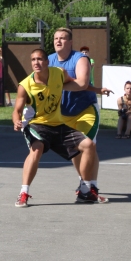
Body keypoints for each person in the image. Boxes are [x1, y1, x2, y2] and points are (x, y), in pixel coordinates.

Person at [12, 48, 112, 208]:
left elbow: (78, 84)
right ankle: (23, 193)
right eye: (33, 60)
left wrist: (97, 90)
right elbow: (17, 110)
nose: (36, 63)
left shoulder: (59, 73)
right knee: (36, 149)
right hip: (36, 124)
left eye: (39, 59)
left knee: (89, 145)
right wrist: (16, 121)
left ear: (46, 62)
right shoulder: (25, 85)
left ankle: (85, 190)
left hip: (58, 124)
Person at [48, 28, 107, 201]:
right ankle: (84, 182)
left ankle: (90, 186)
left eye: (62, 38)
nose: (58, 41)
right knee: (74, 149)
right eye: (56, 38)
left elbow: (81, 83)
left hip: (85, 110)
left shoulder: (80, 59)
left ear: (70, 42)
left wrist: (57, 85)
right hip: (63, 113)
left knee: (88, 145)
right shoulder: (49, 60)